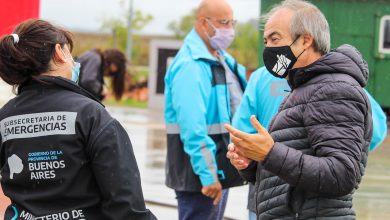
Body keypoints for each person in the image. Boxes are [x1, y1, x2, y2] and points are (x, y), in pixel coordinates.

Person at [225, 0, 373, 219]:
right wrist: (251, 162)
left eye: (275, 39)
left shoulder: (333, 90)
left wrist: (270, 153)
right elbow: (290, 168)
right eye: (266, 41)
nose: (269, 49)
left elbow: (341, 174)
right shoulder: (304, 87)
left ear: (305, 40)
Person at [0, 19, 156, 220]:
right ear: (59, 52)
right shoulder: (92, 115)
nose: (74, 61)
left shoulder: (5, 117)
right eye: (69, 52)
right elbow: (126, 205)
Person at [232, 67, 388, 220]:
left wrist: (262, 157)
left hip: (265, 196)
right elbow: (377, 130)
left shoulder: (260, 77)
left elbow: (241, 133)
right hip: (317, 195)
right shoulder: (340, 82)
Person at [164, 0, 247, 219]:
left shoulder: (220, 59)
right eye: (224, 22)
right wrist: (208, 175)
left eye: (232, 22)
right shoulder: (191, 66)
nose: (229, 29)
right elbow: (193, 128)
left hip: (217, 167)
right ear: (203, 22)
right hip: (200, 175)